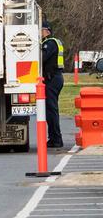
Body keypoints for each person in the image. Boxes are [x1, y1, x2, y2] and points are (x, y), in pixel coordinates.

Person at [41, 19, 65, 149]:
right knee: (50, 111)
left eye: (40, 30)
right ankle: (54, 138)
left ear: (46, 31)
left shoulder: (49, 43)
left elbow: (41, 58)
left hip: (52, 79)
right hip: (55, 78)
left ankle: (56, 139)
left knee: (51, 111)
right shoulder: (54, 42)